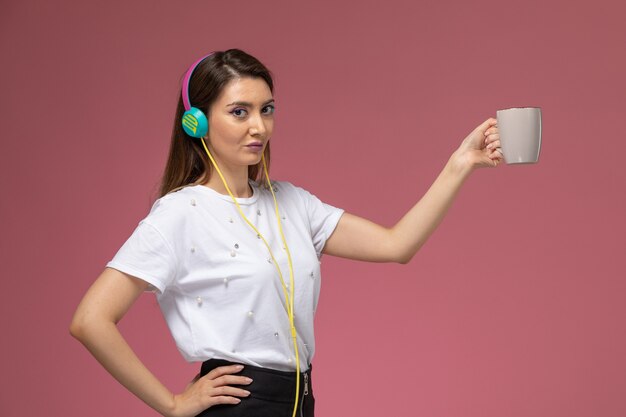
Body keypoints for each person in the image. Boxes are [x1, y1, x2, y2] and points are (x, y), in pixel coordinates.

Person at [70, 48, 503, 417]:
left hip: (300, 398)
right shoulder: (180, 214)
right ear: (196, 122)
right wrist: (172, 403)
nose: (259, 126)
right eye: (239, 112)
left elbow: (397, 245)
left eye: (267, 109)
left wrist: (459, 164)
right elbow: (91, 320)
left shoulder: (292, 202)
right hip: (240, 403)